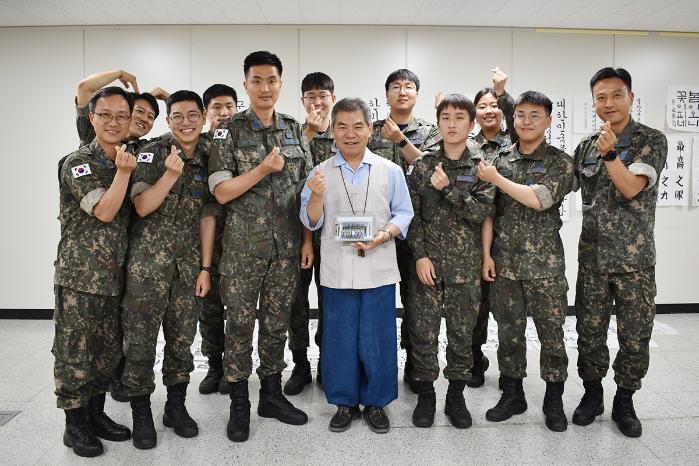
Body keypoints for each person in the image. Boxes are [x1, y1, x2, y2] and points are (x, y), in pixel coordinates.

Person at [208, 50, 313, 443]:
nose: (265, 88)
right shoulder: (227, 131)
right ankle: (239, 404)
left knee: (275, 326)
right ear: (246, 85)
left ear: (280, 84)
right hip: (242, 251)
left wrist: (306, 240)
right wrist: (262, 169)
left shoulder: (292, 128)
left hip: (285, 249)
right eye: (257, 81)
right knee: (238, 327)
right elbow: (221, 192)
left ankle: (271, 395)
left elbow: (303, 191)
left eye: (271, 80)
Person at [300, 97, 414, 434]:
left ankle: (377, 403)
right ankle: (345, 402)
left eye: (358, 126)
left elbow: (404, 213)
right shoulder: (319, 172)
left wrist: (382, 235)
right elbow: (310, 220)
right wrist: (317, 199)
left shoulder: (389, 170)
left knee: (378, 338)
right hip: (337, 269)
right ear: (332, 131)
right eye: (343, 127)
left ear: (370, 130)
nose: (350, 134)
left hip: (378, 266)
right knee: (339, 339)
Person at [571, 67, 667, 438]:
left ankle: (624, 401)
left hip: (634, 262)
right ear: (593, 102)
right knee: (589, 334)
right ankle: (592, 396)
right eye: (600, 97)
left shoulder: (650, 141)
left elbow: (630, 189)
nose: (608, 103)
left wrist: (610, 155)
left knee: (634, 336)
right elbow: (557, 184)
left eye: (615, 95)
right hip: (592, 260)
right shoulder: (585, 147)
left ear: (630, 97)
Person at [121, 90, 217, 449]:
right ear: (168, 120)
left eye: (193, 115)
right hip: (148, 268)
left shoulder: (209, 156)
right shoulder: (152, 152)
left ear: (204, 117)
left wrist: (205, 267)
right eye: (178, 116)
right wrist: (169, 176)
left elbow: (209, 215)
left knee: (181, 343)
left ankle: (175, 408)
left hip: (188, 267)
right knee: (141, 345)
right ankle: (141, 413)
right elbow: (143, 206)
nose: (186, 123)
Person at [478, 91, 574, 432]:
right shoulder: (501, 158)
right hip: (505, 264)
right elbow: (489, 212)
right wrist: (487, 254)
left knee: (551, 335)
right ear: (512, 119)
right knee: (509, 333)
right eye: (520, 115)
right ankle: (513, 394)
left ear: (548, 121)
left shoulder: (560, 161)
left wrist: (498, 180)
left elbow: (540, 199)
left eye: (535, 115)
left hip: (545, 267)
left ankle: (553, 399)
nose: (526, 121)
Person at [53, 86, 136, 457]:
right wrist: (121, 174)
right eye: (106, 115)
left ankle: (96, 414)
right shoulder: (77, 162)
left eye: (122, 116)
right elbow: (104, 210)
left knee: (107, 353)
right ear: (92, 118)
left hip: (116, 277)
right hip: (79, 278)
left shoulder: (129, 159)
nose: (114, 122)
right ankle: (74, 425)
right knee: (75, 352)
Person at [406, 94, 495, 429]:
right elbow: (410, 216)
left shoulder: (482, 167)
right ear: (438, 122)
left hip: (465, 269)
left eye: (460, 117)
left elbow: (481, 211)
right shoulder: (424, 165)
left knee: (461, 335)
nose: (452, 123)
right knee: (423, 333)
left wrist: (447, 191)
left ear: (471, 124)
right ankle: (426, 395)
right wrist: (420, 256)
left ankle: (455, 397)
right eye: (446, 117)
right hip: (427, 267)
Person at [74, 69, 161, 402]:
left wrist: (163, 102)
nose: (141, 119)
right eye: (136, 112)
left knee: (120, 328)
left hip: (129, 253)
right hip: (93, 258)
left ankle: (117, 383)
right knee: (87, 341)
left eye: (149, 117)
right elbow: (84, 89)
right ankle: (86, 408)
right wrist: (120, 74)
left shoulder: (141, 150)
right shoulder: (93, 147)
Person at [367, 69, 441, 392]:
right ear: (386, 95)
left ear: (417, 94)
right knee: (378, 305)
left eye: (408, 87)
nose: (402, 92)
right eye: (395, 87)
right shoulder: (370, 132)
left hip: (419, 232)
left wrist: (401, 140)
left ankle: (417, 368)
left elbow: (430, 171)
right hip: (380, 232)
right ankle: (378, 367)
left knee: (418, 305)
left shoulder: (431, 132)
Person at [285, 71, 337, 395]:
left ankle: (327, 363)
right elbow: (296, 187)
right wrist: (306, 239)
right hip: (297, 234)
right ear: (302, 101)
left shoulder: (344, 132)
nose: (317, 102)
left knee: (331, 302)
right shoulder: (292, 133)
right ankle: (300, 364)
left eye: (323, 95)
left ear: (333, 97)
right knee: (296, 303)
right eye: (310, 97)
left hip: (335, 236)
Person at [468, 67, 517, 388]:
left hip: (511, 236)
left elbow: (517, 119)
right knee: (476, 304)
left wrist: (502, 93)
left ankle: (510, 368)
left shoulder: (514, 141)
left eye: (493, 105)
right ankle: (474, 358)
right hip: (473, 237)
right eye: (482, 106)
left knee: (507, 305)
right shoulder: (468, 147)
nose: (489, 110)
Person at [197, 84, 240, 396]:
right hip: (202, 242)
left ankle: (233, 367)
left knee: (237, 307)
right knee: (209, 309)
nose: (223, 113)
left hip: (239, 241)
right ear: (205, 113)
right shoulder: (194, 147)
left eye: (229, 107)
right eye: (216, 107)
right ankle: (214, 364)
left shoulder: (241, 143)